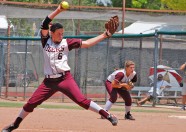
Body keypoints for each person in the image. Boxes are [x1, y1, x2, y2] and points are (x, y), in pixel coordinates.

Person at [2, 4, 119, 132]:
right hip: (48, 82)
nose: (61, 36)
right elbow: (45, 22)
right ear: (51, 33)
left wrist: (104, 35)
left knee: (81, 100)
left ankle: (107, 115)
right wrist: (58, 10)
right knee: (31, 103)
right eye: (58, 33)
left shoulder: (66, 43)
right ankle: (15, 124)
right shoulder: (46, 40)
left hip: (65, 79)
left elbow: (86, 44)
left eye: (62, 33)